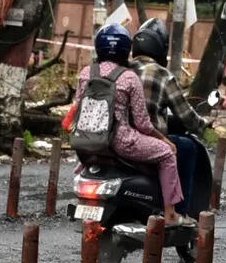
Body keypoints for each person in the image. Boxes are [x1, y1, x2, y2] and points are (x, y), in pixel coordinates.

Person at [77, 23, 189, 226]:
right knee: (167, 154)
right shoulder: (129, 77)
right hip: (121, 141)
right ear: (125, 49)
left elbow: (78, 107)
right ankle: (171, 214)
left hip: (85, 139)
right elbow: (143, 124)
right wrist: (165, 141)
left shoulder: (86, 73)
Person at [130, 17, 208, 217]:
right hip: (146, 141)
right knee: (187, 147)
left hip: (120, 138)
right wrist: (202, 125)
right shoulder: (162, 75)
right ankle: (180, 212)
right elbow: (186, 115)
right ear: (160, 48)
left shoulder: (123, 70)